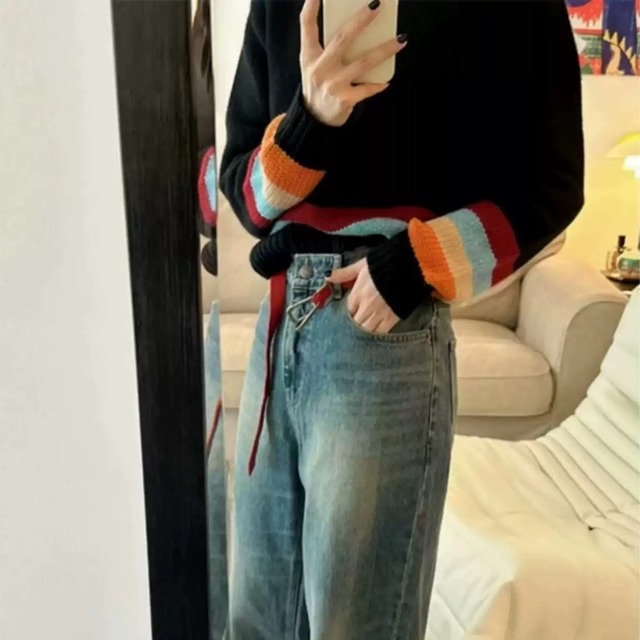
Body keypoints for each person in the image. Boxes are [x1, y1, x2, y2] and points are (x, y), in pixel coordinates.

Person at [219, 0, 584, 638]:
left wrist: (414, 266)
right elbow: (243, 193)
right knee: (256, 619)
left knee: (357, 625)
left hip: (385, 326)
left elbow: (552, 183)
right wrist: (310, 122)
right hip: (278, 322)